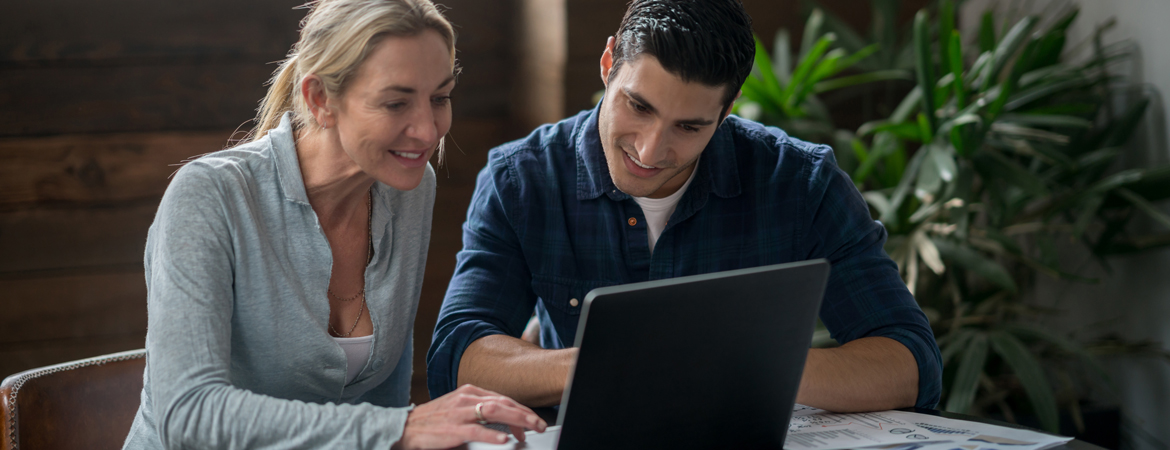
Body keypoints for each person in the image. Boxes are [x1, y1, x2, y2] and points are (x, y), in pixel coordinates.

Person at [428, 0, 942, 413]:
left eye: (689, 127)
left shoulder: (802, 183)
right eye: (638, 106)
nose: (650, 150)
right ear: (608, 64)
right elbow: (458, 355)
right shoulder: (521, 179)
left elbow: (911, 363)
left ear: (728, 109)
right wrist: (613, 364)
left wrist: (744, 365)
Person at [122, 1, 546, 448]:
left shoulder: (410, 187)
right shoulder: (209, 194)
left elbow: (382, 398)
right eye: (396, 103)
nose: (428, 130)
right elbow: (188, 414)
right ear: (320, 99)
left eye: (440, 98)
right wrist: (399, 429)